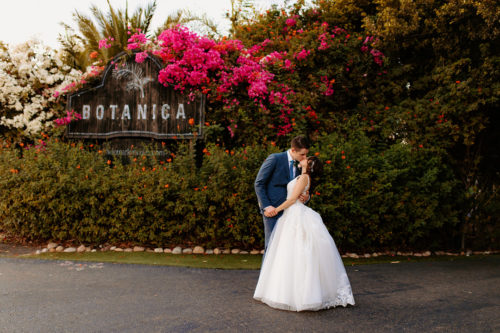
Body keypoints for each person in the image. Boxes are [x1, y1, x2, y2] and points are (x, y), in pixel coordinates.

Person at [253, 156, 355, 311]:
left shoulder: (303, 177)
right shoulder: (302, 177)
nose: (303, 159)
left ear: (309, 165)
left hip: (294, 214)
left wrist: (276, 210)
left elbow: (293, 199)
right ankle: (288, 292)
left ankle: (301, 295)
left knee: (299, 253)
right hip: (292, 215)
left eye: (307, 159)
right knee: (290, 254)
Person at [254, 136, 310, 252]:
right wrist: (267, 206)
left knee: (289, 250)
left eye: (306, 154)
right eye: (302, 154)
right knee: (272, 248)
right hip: (273, 211)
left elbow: (305, 186)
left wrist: (307, 197)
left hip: (292, 213)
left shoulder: (302, 165)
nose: (305, 158)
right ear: (293, 150)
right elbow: (259, 183)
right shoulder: (275, 159)